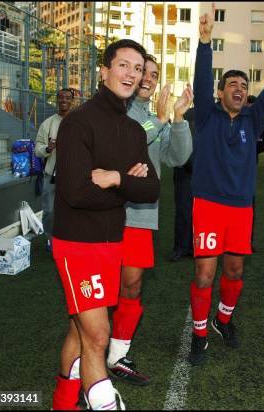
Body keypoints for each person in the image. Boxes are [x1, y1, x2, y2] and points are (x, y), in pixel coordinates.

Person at [187, 4, 264, 365]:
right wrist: (205, 42)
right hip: (208, 204)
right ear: (220, 91)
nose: (239, 89)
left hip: (241, 207)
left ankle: (223, 320)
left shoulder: (253, 121)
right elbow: (201, 79)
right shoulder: (207, 117)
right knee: (205, 271)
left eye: (243, 86)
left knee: (235, 269)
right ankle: (198, 335)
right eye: (232, 85)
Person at [50, 39, 160, 410]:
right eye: (124, 65)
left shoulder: (133, 131)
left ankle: (62, 403)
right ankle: (104, 404)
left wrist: (115, 179)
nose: (132, 74)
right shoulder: (78, 122)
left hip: (113, 244)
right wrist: (128, 187)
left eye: (138, 68)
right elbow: (76, 193)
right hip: (77, 244)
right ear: (104, 71)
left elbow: (152, 188)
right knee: (98, 337)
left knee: (80, 331)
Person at [106, 54, 193, 386]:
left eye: (153, 74)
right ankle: (92, 345)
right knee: (103, 288)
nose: (147, 78)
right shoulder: (116, 110)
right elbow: (128, 142)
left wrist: (180, 119)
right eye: (142, 70)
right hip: (106, 214)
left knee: (132, 285)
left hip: (141, 216)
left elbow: (178, 156)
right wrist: (159, 119)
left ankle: (117, 354)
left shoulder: (156, 118)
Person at [34, 88, 74, 252]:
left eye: (67, 97)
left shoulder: (80, 121)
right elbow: (37, 149)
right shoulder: (48, 123)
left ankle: (70, 240)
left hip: (73, 176)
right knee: (50, 211)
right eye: (61, 97)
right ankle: (51, 239)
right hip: (51, 175)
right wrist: (49, 148)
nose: (64, 100)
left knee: (72, 210)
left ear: (72, 101)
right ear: (57, 100)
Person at [168, 107, 195, 262]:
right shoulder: (187, 114)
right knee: (183, 210)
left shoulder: (212, 114)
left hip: (202, 172)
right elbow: (179, 141)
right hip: (184, 172)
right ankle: (181, 247)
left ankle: (194, 246)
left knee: (199, 212)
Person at [245, 94, 264, 251]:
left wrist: (249, 148)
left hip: (249, 170)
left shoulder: (260, 125)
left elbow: (263, 145)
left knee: (249, 208)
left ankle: (247, 242)